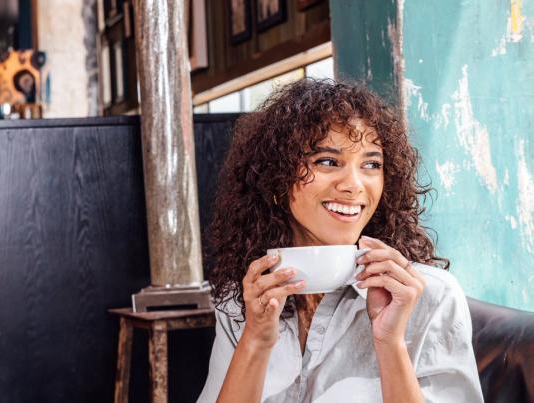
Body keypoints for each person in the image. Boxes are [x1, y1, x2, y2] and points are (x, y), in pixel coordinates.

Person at [197, 78, 484, 403]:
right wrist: (255, 340)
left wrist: (391, 344)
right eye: (328, 161)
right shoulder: (244, 300)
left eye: (371, 164)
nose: (354, 184)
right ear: (276, 180)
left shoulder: (431, 296)